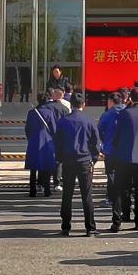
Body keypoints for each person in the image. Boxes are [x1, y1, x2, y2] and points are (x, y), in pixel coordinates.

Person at [54, 92, 101, 236]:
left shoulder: (63, 121)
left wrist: (60, 158)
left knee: (67, 194)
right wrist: (93, 159)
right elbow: (96, 142)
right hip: (84, 160)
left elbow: (58, 142)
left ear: (71, 104)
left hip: (68, 161)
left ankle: (65, 226)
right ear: (83, 104)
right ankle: (90, 227)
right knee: (86, 194)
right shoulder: (89, 120)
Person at [110, 87, 138, 232]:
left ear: (130, 98)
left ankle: (118, 220)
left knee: (120, 189)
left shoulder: (124, 113)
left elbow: (117, 136)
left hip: (124, 156)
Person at [97, 91, 126, 217]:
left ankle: (111, 197)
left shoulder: (107, 115)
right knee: (124, 175)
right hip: (125, 150)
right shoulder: (128, 112)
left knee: (111, 175)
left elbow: (99, 131)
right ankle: (124, 199)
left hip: (110, 149)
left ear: (111, 102)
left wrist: (103, 144)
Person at [24, 92, 59, 198]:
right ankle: (47, 190)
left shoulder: (31, 112)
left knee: (33, 168)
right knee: (47, 166)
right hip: (46, 141)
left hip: (34, 141)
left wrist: (31, 138)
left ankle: (32, 190)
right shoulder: (49, 113)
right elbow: (54, 129)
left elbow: (27, 128)